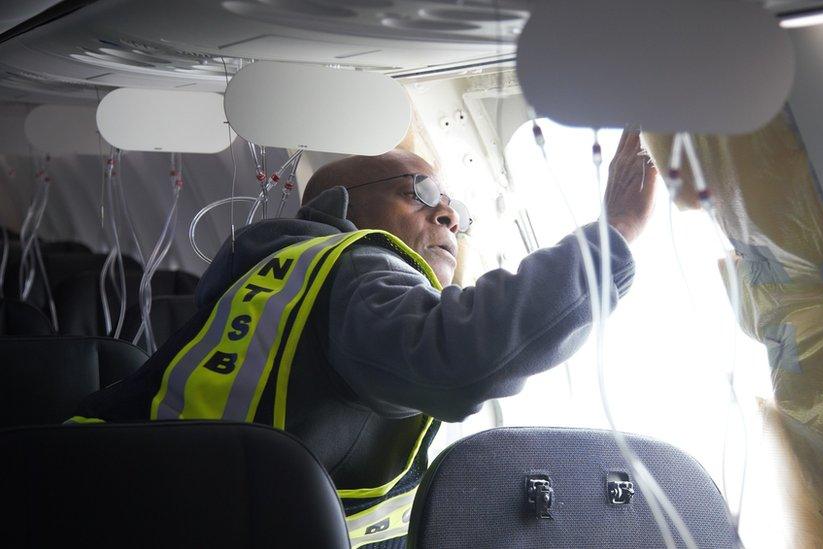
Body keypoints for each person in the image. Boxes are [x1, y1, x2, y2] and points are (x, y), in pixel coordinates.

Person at [72, 130, 657, 548]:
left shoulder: (282, 272)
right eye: (423, 194)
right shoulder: (353, 266)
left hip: (139, 510)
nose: (449, 216)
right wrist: (615, 238)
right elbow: (457, 355)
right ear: (341, 206)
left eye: (457, 210)